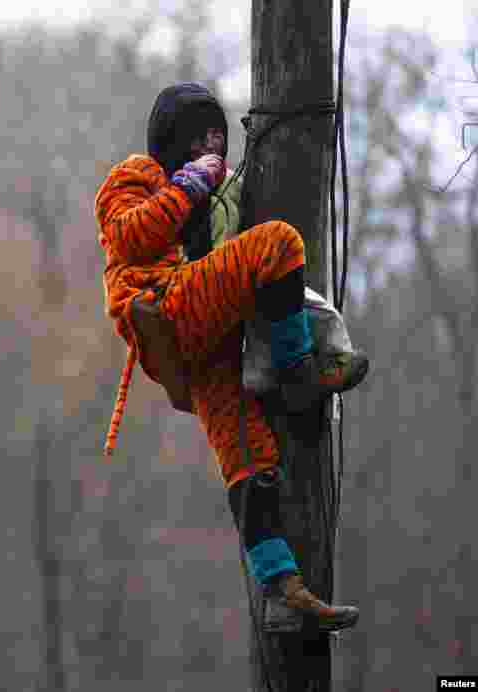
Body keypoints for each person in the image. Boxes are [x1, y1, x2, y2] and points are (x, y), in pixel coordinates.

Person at [93, 82, 368, 632]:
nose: (211, 146)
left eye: (218, 137)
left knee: (249, 459)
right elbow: (128, 236)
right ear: (170, 141)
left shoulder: (224, 193)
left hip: (205, 334)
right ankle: (295, 371)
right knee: (278, 243)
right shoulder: (135, 178)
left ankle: (283, 594)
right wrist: (187, 188)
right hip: (164, 306)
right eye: (199, 136)